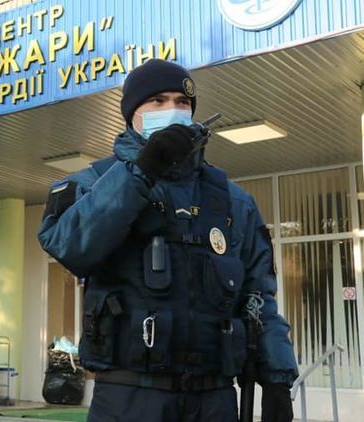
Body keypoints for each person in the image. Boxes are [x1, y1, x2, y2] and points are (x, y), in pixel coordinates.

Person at [37, 59, 298, 422]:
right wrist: (141, 171)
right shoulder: (93, 183)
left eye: (182, 102)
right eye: (157, 101)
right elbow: (69, 246)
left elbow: (259, 296)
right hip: (129, 397)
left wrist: (277, 377)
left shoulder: (232, 200)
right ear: (131, 114)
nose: (172, 109)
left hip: (214, 398)